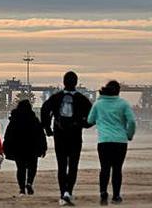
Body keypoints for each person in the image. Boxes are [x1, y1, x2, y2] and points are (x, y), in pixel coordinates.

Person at [41, 71, 93, 206]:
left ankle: (62, 193)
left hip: (60, 135)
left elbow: (44, 110)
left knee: (62, 165)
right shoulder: (82, 99)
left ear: (64, 82)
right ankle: (68, 191)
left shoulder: (56, 98)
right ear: (76, 82)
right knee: (73, 165)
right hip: (75, 135)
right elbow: (92, 115)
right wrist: (84, 124)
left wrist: (47, 128)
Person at [87, 81, 136, 205]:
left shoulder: (98, 104)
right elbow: (132, 122)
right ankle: (116, 196)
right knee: (117, 169)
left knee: (104, 168)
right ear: (118, 91)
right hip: (120, 141)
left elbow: (90, 120)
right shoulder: (123, 104)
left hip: (104, 141)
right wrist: (129, 135)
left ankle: (103, 193)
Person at [3, 99, 47, 196]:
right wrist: (43, 147)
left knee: (21, 168)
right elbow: (41, 135)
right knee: (32, 167)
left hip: (18, 148)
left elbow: (8, 135)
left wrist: (5, 148)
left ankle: (22, 189)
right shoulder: (34, 119)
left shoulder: (14, 120)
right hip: (32, 148)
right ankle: (29, 183)